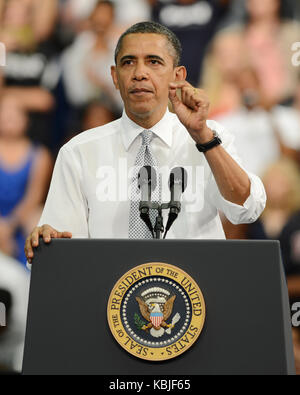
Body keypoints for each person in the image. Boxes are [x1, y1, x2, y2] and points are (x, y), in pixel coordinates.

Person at [24, 21, 266, 263]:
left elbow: (247, 208)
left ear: (177, 75)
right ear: (115, 77)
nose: (140, 73)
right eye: (128, 62)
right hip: (111, 295)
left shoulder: (211, 136)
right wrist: (48, 242)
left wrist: (203, 137)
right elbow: (59, 251)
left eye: (154, 61)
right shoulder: (78, 152)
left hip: (197, 293)